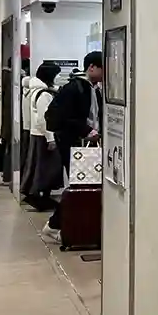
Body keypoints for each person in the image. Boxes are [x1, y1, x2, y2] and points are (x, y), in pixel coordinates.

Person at [43, 51, 103, 243]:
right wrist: (86, 130)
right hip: (74, 145)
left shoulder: (94, 88)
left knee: (84, 185)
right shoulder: (74, 88)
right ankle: (53, 225)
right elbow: (62, 117)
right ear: (91, 67)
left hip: (86, 144)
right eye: (103, 68)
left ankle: (66, 225)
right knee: (78, 186)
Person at [20, 62, 63, 211]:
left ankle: (39, 195)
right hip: (44, 136)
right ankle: (39, 197)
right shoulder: (43, 94)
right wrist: (50, 138)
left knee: (39, 167)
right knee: (46, 169)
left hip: (38, 134)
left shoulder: (35, 91)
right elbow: (44, 119)